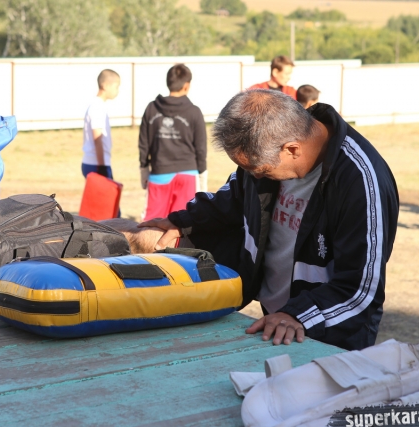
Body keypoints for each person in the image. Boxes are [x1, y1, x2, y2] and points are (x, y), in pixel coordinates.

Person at [139, 90, 399, 351]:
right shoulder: (270, 147)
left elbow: (361, 290)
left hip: (330, 340)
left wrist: (297, 315)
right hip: (278, 322)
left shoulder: (362, 181)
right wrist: (183, 221)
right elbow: (234, 196)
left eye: (260, 171)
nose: (254, 177)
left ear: (292, 149)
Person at [138, 64, 207, 221]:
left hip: (159, 173)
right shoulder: (194, 112)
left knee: (151, 224)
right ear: (186, 85)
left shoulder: (151, 109)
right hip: (188, 174)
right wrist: (202, 176)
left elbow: (143, 143)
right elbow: (201, 148)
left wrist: (144, 170)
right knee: (184, 223)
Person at [82, 69, 120, 180]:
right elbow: (97, 138)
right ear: (105, 86)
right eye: (116, 87)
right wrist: (102, 166)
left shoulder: (99, 105)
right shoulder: (97, 107)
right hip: (96, 164)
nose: (117, 91)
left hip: (96, 163)